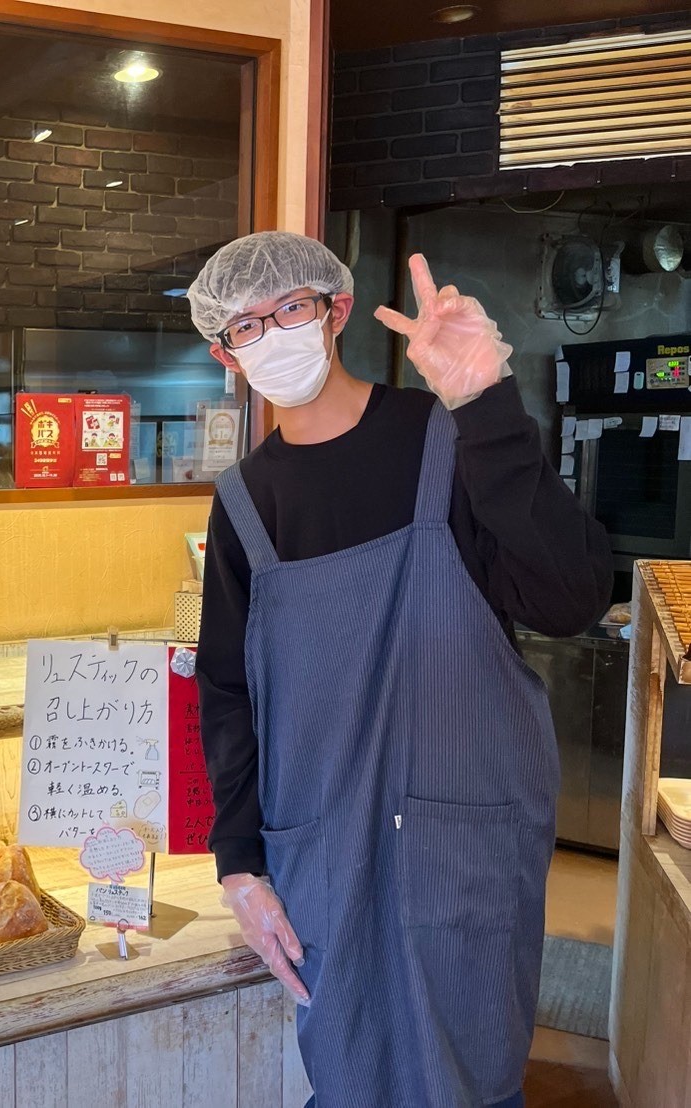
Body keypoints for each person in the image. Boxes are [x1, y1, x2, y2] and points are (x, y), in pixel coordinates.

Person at [188, 232, 611, 1107]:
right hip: (322, 843)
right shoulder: (242, 505)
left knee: (474, 1070)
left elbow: (569, 598)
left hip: (467, 834)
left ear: (335, 310)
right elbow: (228, 695)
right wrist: (239, 864)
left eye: (289, 309)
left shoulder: (447, 438)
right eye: (243, 326)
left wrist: (485, 404)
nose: (270, 335)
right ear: (220, 349)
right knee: (348, 1066)